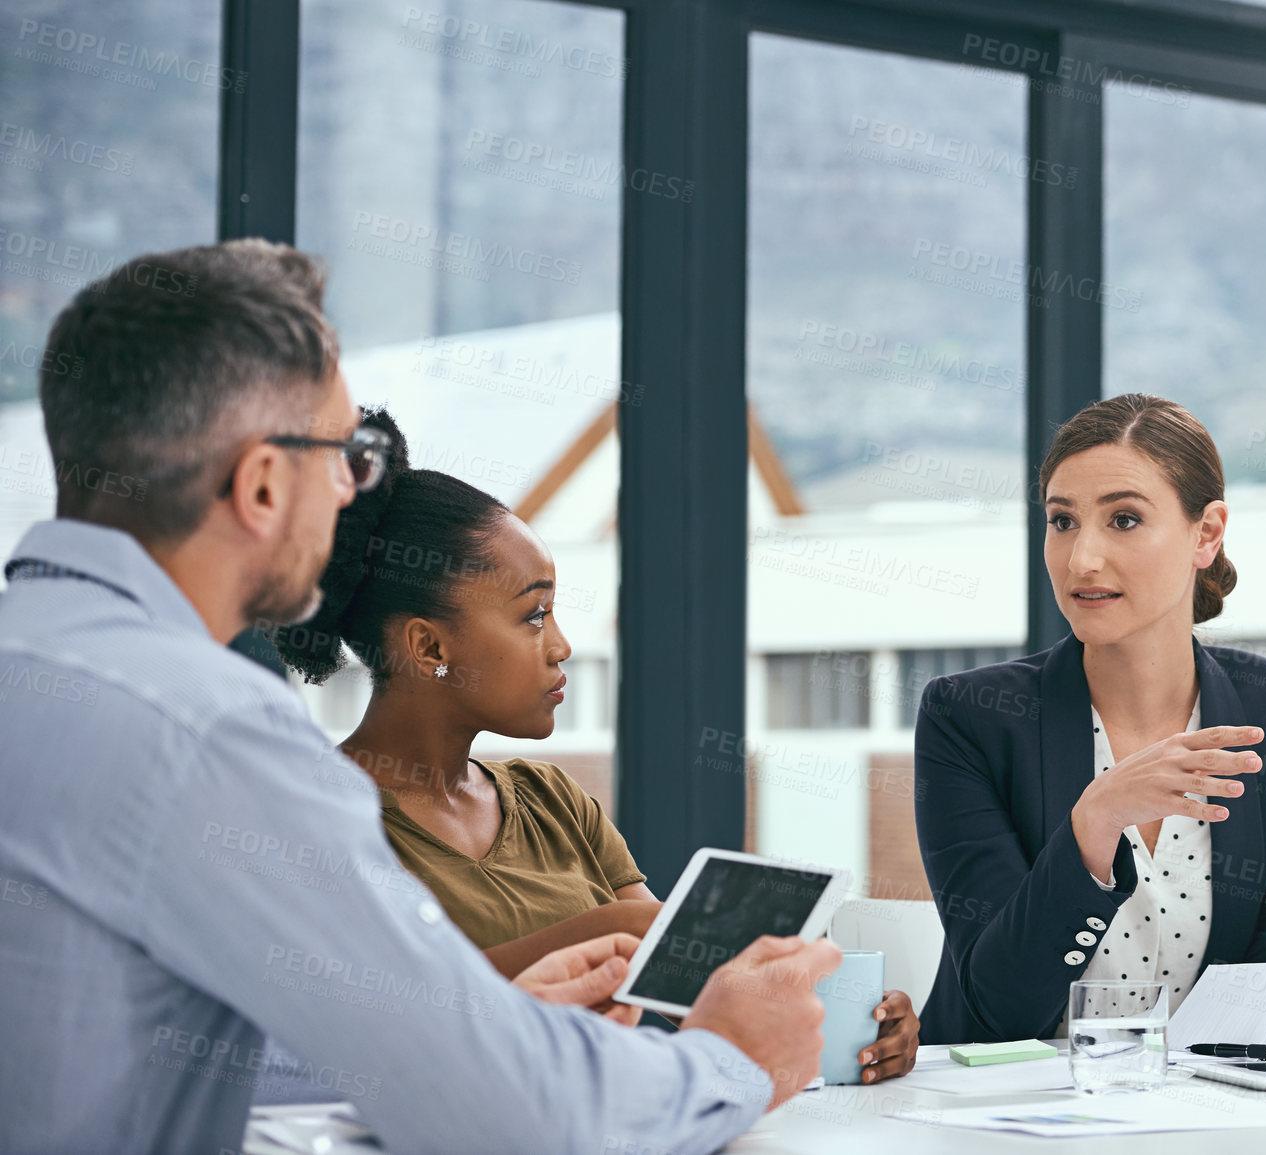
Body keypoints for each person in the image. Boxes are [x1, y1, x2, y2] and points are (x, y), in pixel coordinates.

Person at [0, 240, 839, 1154]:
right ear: (263, 483)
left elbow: (123, 1033)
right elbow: (511, 1116)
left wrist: (488, 1023)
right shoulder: (210, 729)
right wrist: (732, 1058)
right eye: (344, 453)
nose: (353, 490)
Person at [265, 406, 921, 1082]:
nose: (561, 646)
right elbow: (384, 1011)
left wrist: (859, 1019)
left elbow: (679, 969)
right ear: (430, 645)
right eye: (533, 615)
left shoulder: (553, 800)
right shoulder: (322, 817)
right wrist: (600, 929)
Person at [914, 394, 1266, 1044]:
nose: (1080, 560)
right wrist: (1093, 822)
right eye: (1062, 520)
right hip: (1006, 1118)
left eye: (1123, 519)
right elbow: (999, 1003)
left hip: (1196, 1119)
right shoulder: (970, 719)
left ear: (1206, 532)